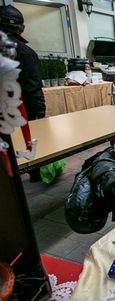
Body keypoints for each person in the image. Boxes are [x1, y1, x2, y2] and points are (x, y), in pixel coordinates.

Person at [0, 5, 46, 182]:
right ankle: (33, 172)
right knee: (30, 141)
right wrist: (40, 116)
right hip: (20, 110)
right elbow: (32, 87)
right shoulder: (24, 52)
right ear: (22, 28)